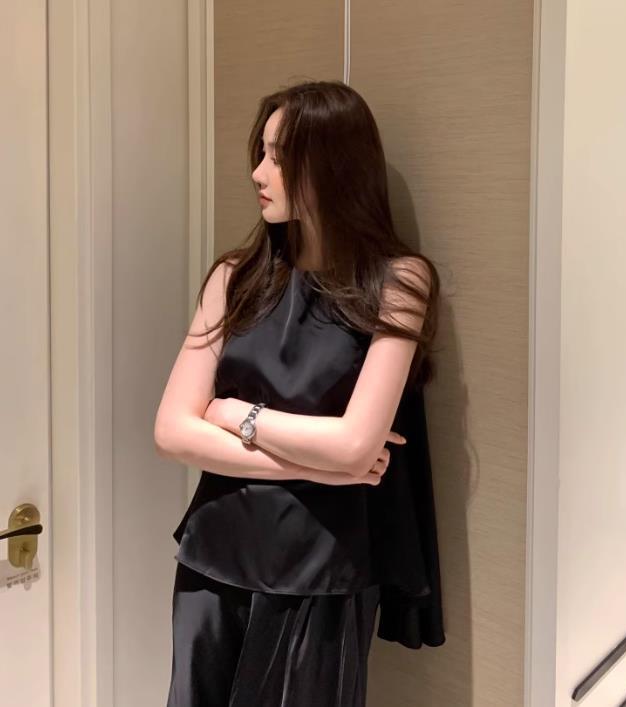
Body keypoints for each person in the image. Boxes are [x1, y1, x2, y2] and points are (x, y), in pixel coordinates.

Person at [154, 80, 445, 707]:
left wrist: (235, 413)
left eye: (279, 157)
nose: (259, 173)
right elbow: (172, 431)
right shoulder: (234, 277)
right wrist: (323, 469)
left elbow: (355, 446)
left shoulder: (400, 282)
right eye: (261, 153)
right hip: (213, 560)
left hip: (322, 571)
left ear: (334, 165)